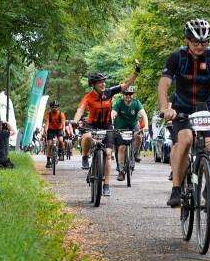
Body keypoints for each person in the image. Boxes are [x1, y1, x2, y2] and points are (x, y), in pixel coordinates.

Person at [158, 18, 210, 212]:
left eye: (204, 42)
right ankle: (176, 189)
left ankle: (208, 190)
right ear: (187, 40)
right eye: (195, 42)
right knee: (185, 139)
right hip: (181, 106)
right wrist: (165, 108)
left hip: (204, 108)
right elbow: (164, 84)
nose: (199, 46)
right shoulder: (176, 57)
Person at [73, 62, 140, 198]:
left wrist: (136, 73)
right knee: (86, 137)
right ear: (93, 85)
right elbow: (80, 110)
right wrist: (75, 122)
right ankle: (85, 157)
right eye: (100, 83)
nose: (103, 85)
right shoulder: (88, 97)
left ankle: (106, 185)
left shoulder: (109, 93)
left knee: (108, 154)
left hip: (107, 125)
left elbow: (126, 85)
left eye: (104, 82)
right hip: (92, 124)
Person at [111, 87, 149, 182]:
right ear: (123, 95)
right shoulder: (119, 103)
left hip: (133, 125)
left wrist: (146, 126)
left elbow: (144, 115)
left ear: (133, 95)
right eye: (126, 94)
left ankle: (135, 152)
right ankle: (121, 171)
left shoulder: (136, 103)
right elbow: (112, 114)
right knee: (121, 148)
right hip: (121, 127)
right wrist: (111, 125)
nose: (128, 96)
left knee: (138, 135)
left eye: (130, 94)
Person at [43, 101, 66, 168]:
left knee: (61, 140)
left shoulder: (61, 114)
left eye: (56, 107)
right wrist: (45, 131)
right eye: (53, 107)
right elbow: (46, 124)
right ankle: (48, 161)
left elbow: (63, 124)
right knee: (49, 144)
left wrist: (64, 131)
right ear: (50, 108)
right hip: (50, 130)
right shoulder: (48, 114)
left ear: (57, 108)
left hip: (59, 129)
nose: (54, 108)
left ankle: (60, 152)